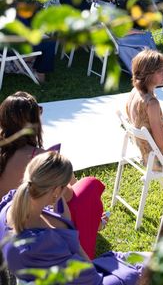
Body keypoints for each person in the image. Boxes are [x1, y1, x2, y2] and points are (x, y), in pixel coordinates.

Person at [0, 152, 144, 284]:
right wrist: (67, 229)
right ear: (57, 191)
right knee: (144, 269)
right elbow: (91, 277)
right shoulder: (46, 243)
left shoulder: (8, 205)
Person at [0, 92, 105, 259]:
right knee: (90, 186)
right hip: (29, 223)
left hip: (6, 220)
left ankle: (97, 223)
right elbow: (68, 195)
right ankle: (96, 225)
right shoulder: (38, 157)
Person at [126, 50, 163, 167]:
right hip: (157, 160)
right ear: (147, 74)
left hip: (144, 152)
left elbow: (148, 126)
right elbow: (162, 145)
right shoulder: (151, 103)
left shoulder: (135, 92)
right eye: (160, 70)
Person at [91, 0, 157, 74]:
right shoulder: (107, 10)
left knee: (141, 35)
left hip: (102, 38)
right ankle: (152, 68)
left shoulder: (95, 4)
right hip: (114, 40)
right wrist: (138, 31)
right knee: (147, 36)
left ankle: (146, 67)